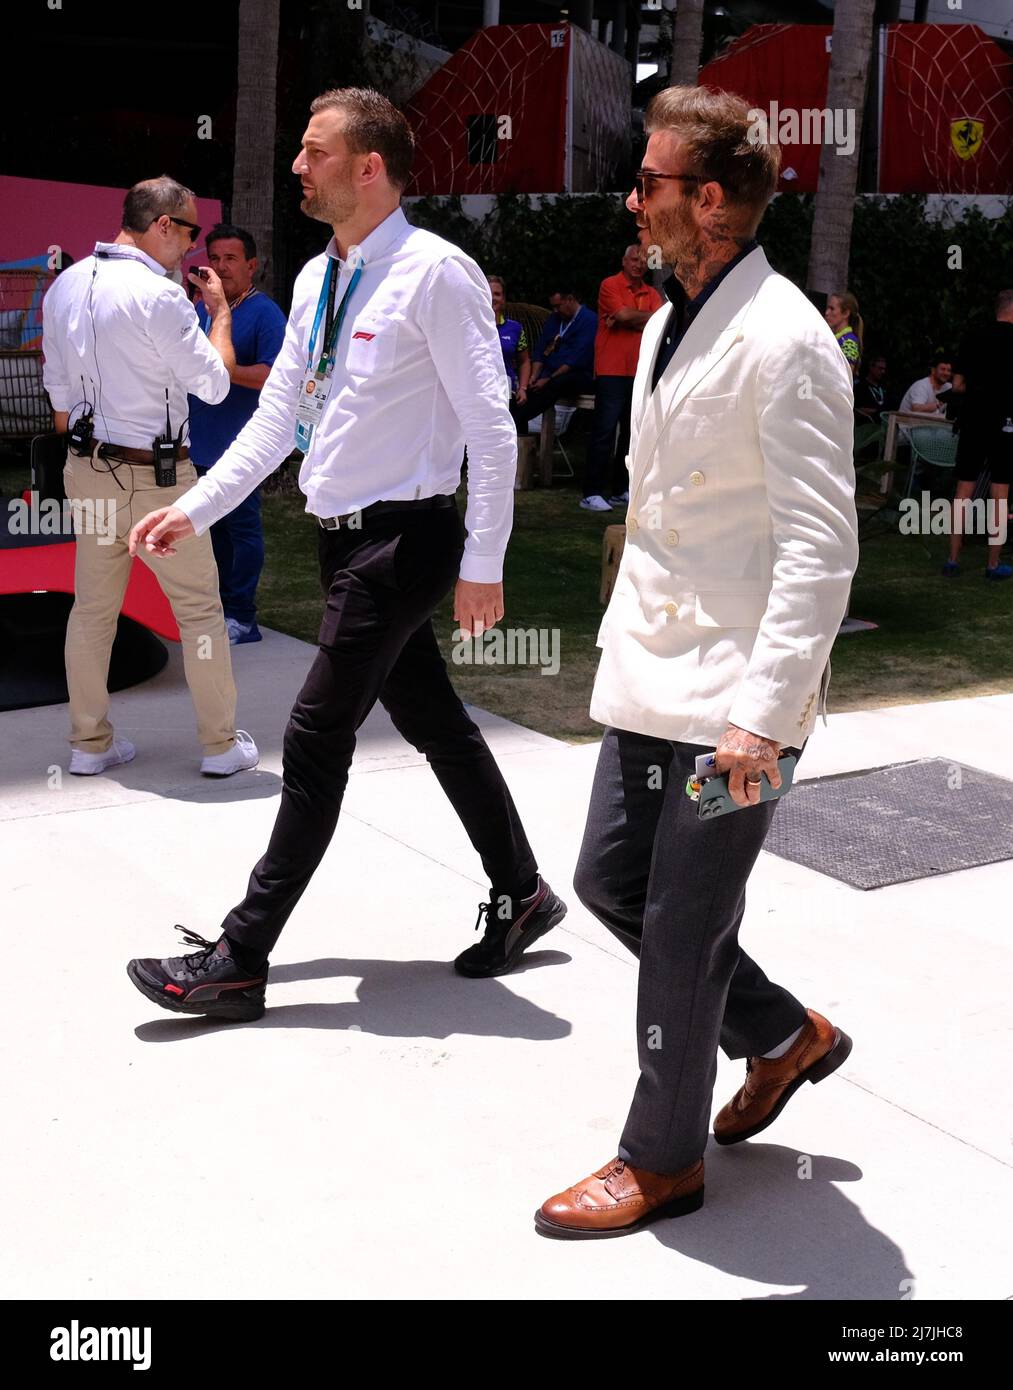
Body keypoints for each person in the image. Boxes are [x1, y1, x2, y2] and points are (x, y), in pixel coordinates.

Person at [124, 88, 566, 1021]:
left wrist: (484, 560)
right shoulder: (323, 280)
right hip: (344, 545)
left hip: (406, 542)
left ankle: (241, 958)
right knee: (439, 726)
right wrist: (193, 509)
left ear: (369, 168)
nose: (297, 165)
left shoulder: (436, 273)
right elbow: (277, 422)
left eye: (313, 150)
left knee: (317, 737)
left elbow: (493, 428)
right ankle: (523, 893)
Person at [536, 85, 859, 1239]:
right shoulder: (677, 312)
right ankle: (782, 1034)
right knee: (612, 884)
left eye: (649, 183)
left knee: (680, 921)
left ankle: (657, 1158)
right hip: (654, 677)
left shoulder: (787, 341)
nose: (632, 199)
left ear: (706, 201)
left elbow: (823, 549)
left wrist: (760, 719)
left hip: (742, 703)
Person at [41, 176, 260, 779]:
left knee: (91, 610)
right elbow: (215, 384)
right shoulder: (159, 296)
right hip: (156, 476)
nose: (192, 250)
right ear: (162, 224)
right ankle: (219, 746)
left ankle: (88, 744)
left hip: (87, 468)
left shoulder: (63, 286)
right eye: (189, 233)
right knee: (200, 614)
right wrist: (218, 313)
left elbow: (59, 399)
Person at [187, 223, 288, 645]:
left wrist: (224, 373)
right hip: (198, 441)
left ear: (251, 266)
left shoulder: (264, 313)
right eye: (214, 258)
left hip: (242, 444)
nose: (221, 267)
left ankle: (243, 618)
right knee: (207, 531)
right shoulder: (198, 310)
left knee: (242, 530)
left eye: (230, 259)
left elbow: (274, 374)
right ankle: (217, 613)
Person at [581, 243, 664, 512]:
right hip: (611, 369)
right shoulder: (610, 285)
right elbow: (623, 314)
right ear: (624, 261)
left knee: (631, 433)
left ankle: (620, 489)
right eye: (634, 259)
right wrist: (632, 318)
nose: (639, 264)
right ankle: (592, 492)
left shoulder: (651, 292)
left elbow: (659, 321)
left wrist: (629, 319)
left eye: (643, 260)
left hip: (640, 370)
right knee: (604, 432)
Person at [944, 289, 1013, 579]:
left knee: (963, 491)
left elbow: (958, 384)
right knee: (1000, 494)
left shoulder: (973, 337)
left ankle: (952, 559)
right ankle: (993, 564)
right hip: (1005, 421)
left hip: (973, 418)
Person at [509, 288, 596, 431]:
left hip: (575, 375)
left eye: (558, 306)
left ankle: (517, 418)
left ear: (570, 299)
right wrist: (534, 375)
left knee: (557, 383)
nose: (555, 310)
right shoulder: (554, 319)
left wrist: (548, 379)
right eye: (553, 307)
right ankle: (518, 423)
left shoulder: (589, 320)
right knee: (530, 387)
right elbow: (541, 349)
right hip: (548, 373)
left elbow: (576, 359)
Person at [486, 274, 530, 408]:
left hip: (505, 390)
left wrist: (522, 388)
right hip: (477, 390)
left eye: (497, 294)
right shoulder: (470, 326)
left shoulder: (515, 328)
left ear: (503, 299)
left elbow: (525, 361)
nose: (493, 298)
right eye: (488, 293)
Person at [825, 290, 863, 381]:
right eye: (827, 308)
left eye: (832, 309)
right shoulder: (832, 337)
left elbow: (844, 379)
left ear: (846, 313)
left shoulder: (849, 342)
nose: (826, 313)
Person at [853, 352, 890, 421]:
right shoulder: (860, 386)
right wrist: (876, 412)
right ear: (871, 367)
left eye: (884, 369)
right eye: (880, 368)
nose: (883, 372)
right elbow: (855, 409)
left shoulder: (885, 388)